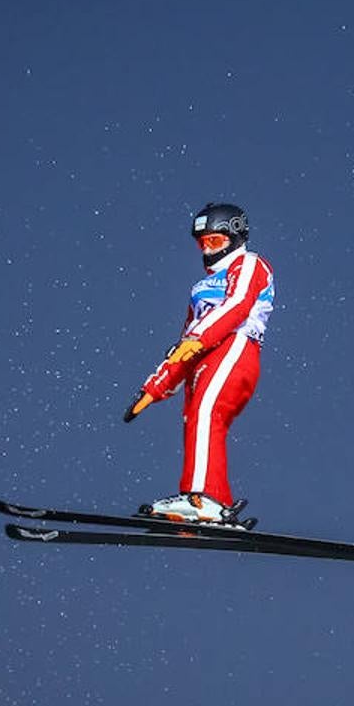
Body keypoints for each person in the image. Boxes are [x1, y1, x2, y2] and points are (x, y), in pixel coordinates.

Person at [125, 202, 275, 523]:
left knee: (207, 411)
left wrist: (199, 338)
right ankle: (213, 505)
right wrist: (157, 386)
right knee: (198, 419)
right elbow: (186, 340)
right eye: (203, 243)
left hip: (236, 346)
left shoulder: (250, 264)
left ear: (235, 237)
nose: (208, 251)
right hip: (204, 354)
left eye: (216, 242)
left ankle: (199, 497)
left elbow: (237, 304)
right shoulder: (200, 287)